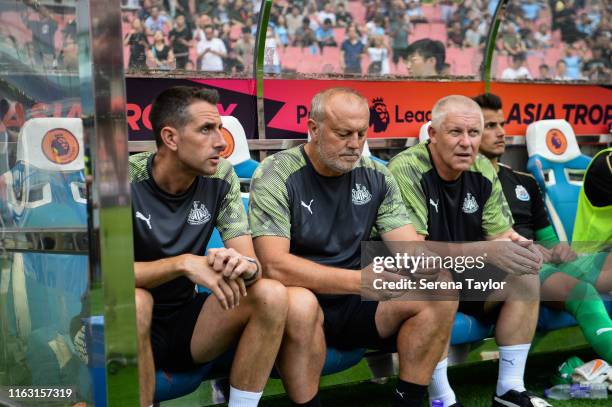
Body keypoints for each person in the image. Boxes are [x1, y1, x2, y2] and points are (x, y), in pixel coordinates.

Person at [249, 87, 458, 407]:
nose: (355, 144)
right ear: (313, 128)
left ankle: (410, 401)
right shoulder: (276, 173)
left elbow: (407, 248)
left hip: (358, 301)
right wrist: (359, 281)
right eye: (343, 133)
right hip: (300, 301)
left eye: (361, 133)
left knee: (439, 285)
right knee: (301, 303)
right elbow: (274, 265)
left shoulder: (376, 173)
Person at [131, 86, 317, 407]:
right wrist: (183, 263)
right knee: (137, 303)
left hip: (184, 322)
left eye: (219, 128)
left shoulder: (222, 176)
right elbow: (103, 278)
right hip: (121, 323)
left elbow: (254, 268)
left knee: (271, 294)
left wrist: (240, 265)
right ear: (171, 138)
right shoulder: (123, 181)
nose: (220, 141)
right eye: (207, 129)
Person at [389, 95, 547, 407]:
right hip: (409, 276)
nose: (466, 143)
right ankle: (441, 398)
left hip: (466, 272)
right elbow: (412, 252)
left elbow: (501, 234)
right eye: (455, 133)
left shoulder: (482, 169)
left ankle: (509, 390)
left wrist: (523, 249)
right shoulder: (406, 169)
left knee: (525, 275)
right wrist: (486, 251)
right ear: (432, 135)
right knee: (438, 279)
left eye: (473, 133)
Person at [473, 92, 612, 363]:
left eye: (501, 124)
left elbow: (547, 238)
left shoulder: (524, 182)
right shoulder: (464, 184)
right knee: (582, 293)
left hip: (546, 264)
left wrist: (557, 249)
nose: (501, 132)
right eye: (490, 126)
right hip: (509, 269)